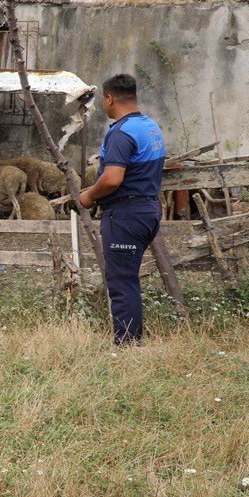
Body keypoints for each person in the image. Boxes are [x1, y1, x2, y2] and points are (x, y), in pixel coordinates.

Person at [79, 73, 165, 345]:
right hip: (148, 209)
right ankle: (130, 338)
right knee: (128, 279)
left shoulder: (121, 132)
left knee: (121, 281)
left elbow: (113, 178)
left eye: (103, 101)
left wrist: (89, 196)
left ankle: (127, 343)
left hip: (126, 215)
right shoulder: (150, 126)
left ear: (109, 98)